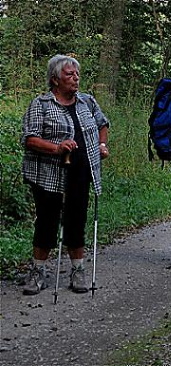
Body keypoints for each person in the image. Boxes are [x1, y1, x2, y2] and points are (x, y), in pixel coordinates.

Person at [21, 54, 110, 295]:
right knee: (47, 222)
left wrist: (102, 145)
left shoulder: (87, 102)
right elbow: (29, 139)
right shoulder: (41, 105)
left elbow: (103, 124)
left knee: (76, 220)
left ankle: (77, 270)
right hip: (48, 175)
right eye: (69, 74)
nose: (75, 78)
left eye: (77, 74)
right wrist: (57, 148)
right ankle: (37, 271)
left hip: (82, 172)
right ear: (55, 80)